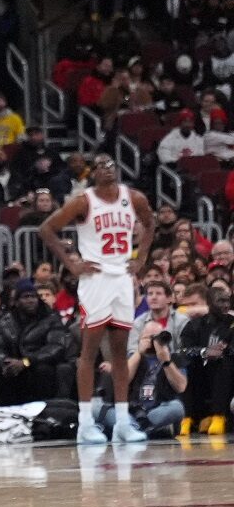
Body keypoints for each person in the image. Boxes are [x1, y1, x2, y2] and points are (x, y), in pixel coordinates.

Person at [39, 153, 154, 444]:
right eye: (101, 165)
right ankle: (85, 423)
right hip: (95, 280)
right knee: (89, 352)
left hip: (123, 279)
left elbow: (150, 224)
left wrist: (141, 259)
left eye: (111, 164)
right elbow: (46, 229)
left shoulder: (134, 198)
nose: (107, 169)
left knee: (120, 353)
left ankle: (122, 423)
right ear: (93, 173)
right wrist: (71, 263)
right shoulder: (83, 201)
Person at [98, 323, 187, 439]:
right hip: (132, 410)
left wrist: (166, 361)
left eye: (156, 337)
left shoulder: (173, 358)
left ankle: (132, 429)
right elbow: (122, 382)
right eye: (148, 337)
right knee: (99, 407)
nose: (153, 341)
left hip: (157, 409)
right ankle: (143, 429)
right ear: (140, 339)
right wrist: (138, 353)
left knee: (177, 407)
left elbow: (181, 387)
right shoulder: (132, 357)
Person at [178, 289, 234, 436]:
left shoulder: (232, 324)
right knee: (186, 366)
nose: (225, 305)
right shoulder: (195, 325)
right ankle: (188, 418)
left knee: (223, 363)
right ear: (209, 303)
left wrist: (225, 351)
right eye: (220, 301)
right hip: (201, 374)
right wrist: (204, 351)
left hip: (227, 375)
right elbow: (184, 350)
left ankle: (218, 417)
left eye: (227, 301)